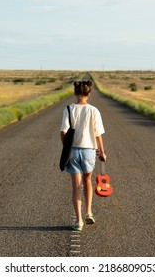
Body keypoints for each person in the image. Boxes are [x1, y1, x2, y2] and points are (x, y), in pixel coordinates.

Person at [60, 80, 107, 231]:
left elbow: (63, 132)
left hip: (72, 150)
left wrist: (66, 146)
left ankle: (79, 222)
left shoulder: (68, 109)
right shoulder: (94, 110)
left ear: (75, 93)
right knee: (87, 181)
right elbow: (98, 134)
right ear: (89, 94)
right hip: (89, 150)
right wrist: (102, 151)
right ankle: (88, 212)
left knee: (76, 186)